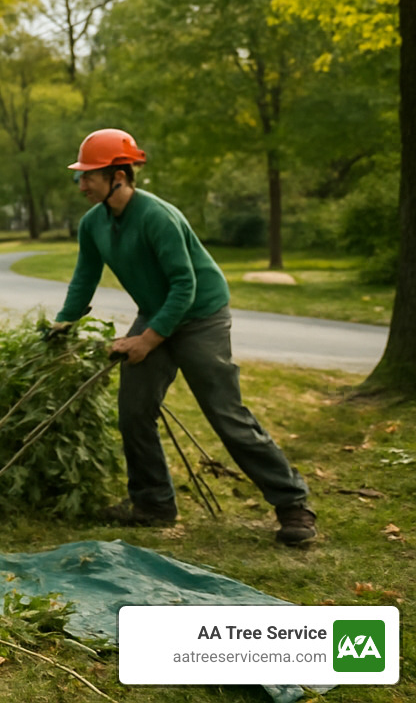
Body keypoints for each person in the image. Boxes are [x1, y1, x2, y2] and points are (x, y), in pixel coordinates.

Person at [53, 128, 316, 545]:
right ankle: (153, 504)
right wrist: (61, 325)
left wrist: (147, 340)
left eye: (89, 176)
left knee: (225, 414)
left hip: (200, 315)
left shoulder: (157, 216)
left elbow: (184, 286)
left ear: (118, 176)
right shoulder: (93, 224)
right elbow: (84, 277)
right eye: (80, 176)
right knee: (134, 410)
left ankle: (293, 505)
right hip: (156, 312)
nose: (81, 184)